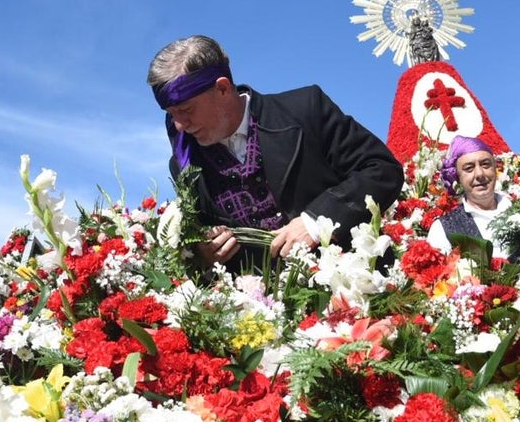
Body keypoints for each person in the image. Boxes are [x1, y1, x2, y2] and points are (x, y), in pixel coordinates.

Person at [147, 35, 404, 267]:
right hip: (261, 311)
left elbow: (381, 170)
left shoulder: (305, 109)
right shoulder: (184, 161)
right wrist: (205, 253)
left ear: (223, 88)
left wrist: (317, 221)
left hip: (355, 284)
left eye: (187, 110)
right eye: (171, 115)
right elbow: (198, 244)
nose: (179, 125)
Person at [427, 135, 511, 254]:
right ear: (458, 177)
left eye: (485, 164)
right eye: (469, 168)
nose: (479, 174)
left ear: (495, 169)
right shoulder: (443, 228)